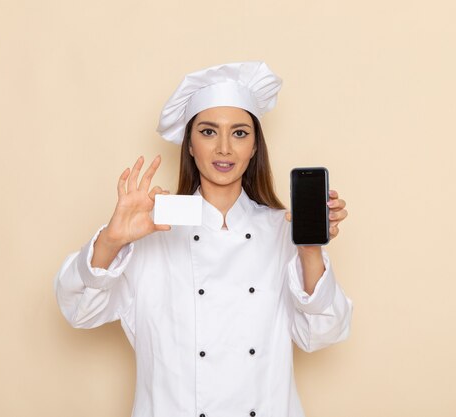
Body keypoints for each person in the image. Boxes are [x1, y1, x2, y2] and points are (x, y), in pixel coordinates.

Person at [54, 61, 353, 417]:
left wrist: (308, 249)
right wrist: (111, 241)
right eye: (209, 132)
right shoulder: (152, 230)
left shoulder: (282, 232)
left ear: (255, 146)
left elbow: (323, 333)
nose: (224, 148)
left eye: (240, 133)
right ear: (190, 145)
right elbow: (79, 311)